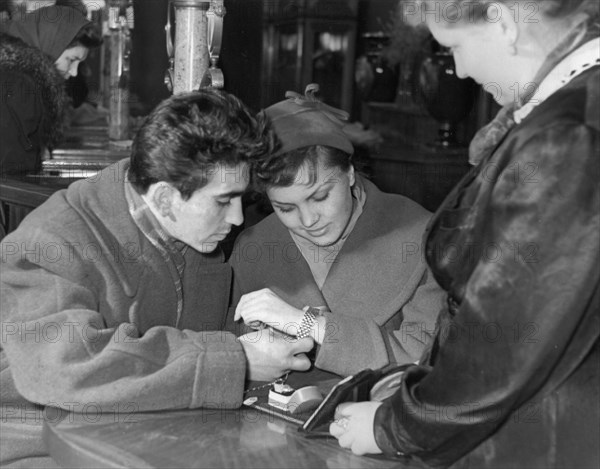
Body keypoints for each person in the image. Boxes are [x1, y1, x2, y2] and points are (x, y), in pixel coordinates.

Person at [328, 1, 600, 467]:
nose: (458, 67)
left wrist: (395, 425)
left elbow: (506, 333)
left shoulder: (566, 135)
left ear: (504, 23)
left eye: (452, 46)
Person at [0, 90, 314, 468]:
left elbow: (185, 338)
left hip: (145, 436)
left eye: (241, 199)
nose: (237, 219)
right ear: (165, 199)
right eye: (223, 200)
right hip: (39, 448)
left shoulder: (196, 239)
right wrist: (237, 361)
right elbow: (61, 367)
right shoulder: (49, 242)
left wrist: (260, 332)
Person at [230, 84, 445, 377]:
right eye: (286, 208)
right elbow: (228, 346)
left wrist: (308, 325)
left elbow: (424, 364)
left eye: (320, 197)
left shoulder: (423, 238)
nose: (308, 220)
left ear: (350, 172)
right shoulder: (252, 246)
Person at [0, 4, 102, 175]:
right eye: (71, 60)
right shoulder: (19, 85)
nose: (74, 72)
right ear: (51, 44)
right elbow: (10, 174)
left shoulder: (21, 77)